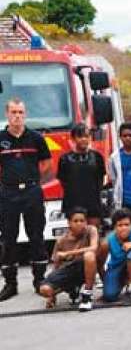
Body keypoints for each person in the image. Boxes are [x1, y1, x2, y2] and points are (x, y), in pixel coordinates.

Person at [0, 98, 52, 301]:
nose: (17, 116)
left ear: (25, 114)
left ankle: (39, 280)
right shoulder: (1, 138)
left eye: (21, 112)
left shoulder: (36, 138)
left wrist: (34, 180)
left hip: (31, 192)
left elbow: (47, 163)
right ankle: (10, 284)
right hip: (8, 194)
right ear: (7, 114)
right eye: (13, 112)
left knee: (37, 236)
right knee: (8, 239)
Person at [39, 207, 98, 311]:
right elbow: (56, 265)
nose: (79, 224)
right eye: (75, 221)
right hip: (68, 270)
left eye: (82, 221)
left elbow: (94, 247)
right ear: (69, 223)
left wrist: (68, 253)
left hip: (83, 267)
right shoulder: (61, 241)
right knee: (44, 289)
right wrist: (52, 295)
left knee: (89, 255)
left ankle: (87, 295)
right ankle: (71, 289)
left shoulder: (91, 230)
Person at [97, 208, 131, 304]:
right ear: (114, 227)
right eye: (120, 225)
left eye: (127, 225)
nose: (124, 228)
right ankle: (122, 281)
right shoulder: (107, 241)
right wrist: (106, 282)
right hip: (115, 268)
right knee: (109, 295)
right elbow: (99, 264)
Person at [57, 123, 106, 228]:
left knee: (93, 233)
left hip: (93, 202)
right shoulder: (65, 159)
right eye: (80, 136)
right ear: (74, 139)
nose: (84, 139)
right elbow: (63, 181)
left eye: (87, 136)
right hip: (73, 202)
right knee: (76, 236)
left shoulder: (97, 157)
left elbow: (101, 179)